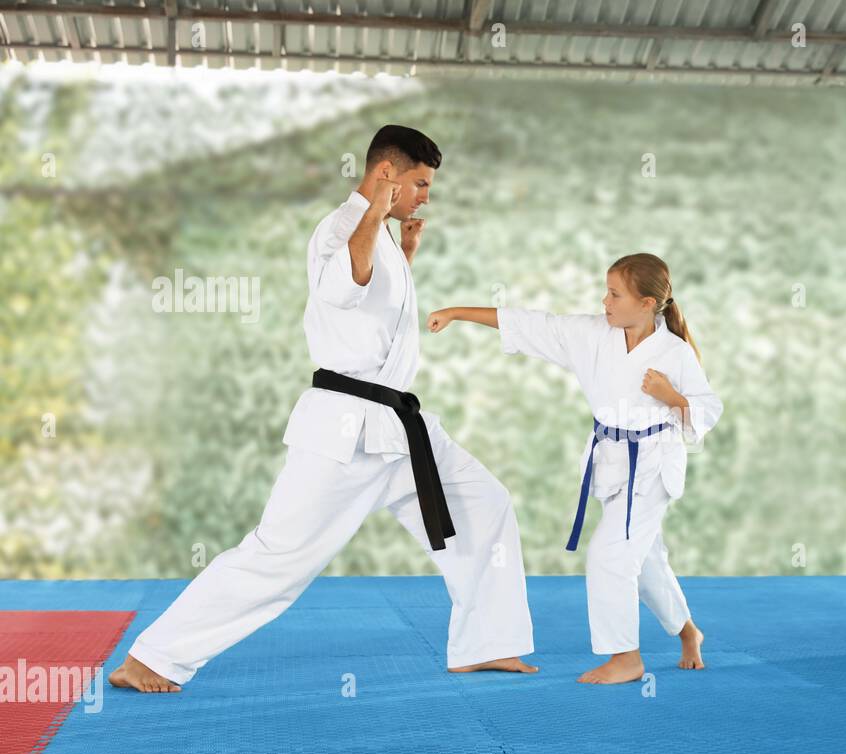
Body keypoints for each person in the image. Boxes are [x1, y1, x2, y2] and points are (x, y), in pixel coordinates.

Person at [109, 125, 536, 693]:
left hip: (398, 429)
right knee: (279, 555)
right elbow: (343, 287)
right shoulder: (342, 228)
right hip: (345, 432)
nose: (426, 196)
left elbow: (371, 314)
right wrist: (375, 222)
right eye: (419, 183)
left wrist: (404, 255)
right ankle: (153, 658)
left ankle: (487, 645)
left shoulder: (379, 235)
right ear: (385, 174)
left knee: (485, 504)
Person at [427, 253, 722, 684]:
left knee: (610, 555)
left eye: (615, 294)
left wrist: (671, 395)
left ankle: (625, 657)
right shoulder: (592, 335)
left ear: (645, 304)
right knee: (646, 562)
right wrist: (457, 312)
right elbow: (532, 324)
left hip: (653, 466)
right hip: (612, 464)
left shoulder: (674, 353)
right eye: (606, 291)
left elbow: (708, 408)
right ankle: (688, 631)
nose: (604, 301)